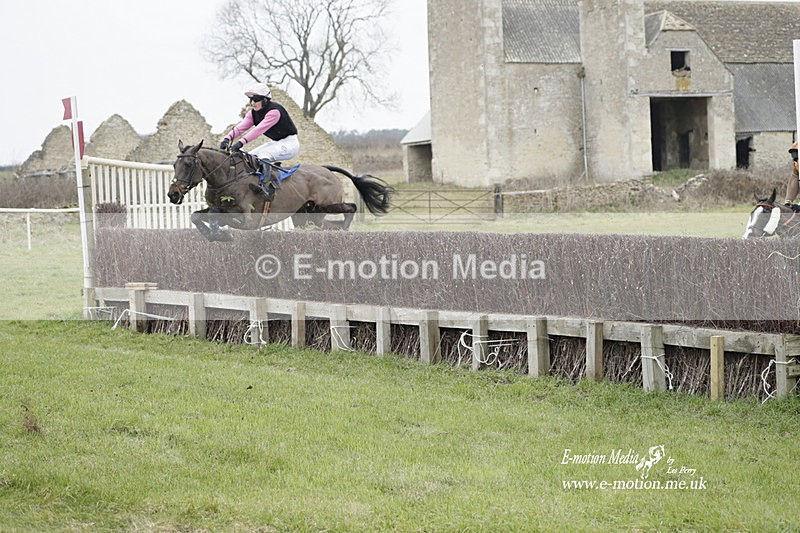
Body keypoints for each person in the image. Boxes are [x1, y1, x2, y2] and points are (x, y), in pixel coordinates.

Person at [219, 82, 300, 196]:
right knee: (249, 157)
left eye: (256, 99)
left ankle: (266, 187)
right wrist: (227, 138)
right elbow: (240, 127)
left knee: (263, 154)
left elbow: (258, 130)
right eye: (251, 99)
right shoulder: (252, 114)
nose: (252, 103)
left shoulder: (274, 112)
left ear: (265, 99)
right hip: (276, 143)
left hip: (290, 144)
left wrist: (241, 143)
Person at [784, 141, 800, 209]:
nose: (795, 156)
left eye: (796, 153)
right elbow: (794, 180)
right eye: (794, 153)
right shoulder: (797, 166)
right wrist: (788, 202)